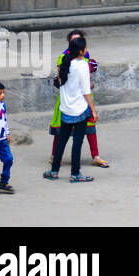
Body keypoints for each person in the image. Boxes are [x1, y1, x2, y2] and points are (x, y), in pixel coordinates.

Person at [50, 30, 109, 169]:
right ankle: (70, 168)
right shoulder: (65, 58)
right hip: (78, 101)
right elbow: (68, 82)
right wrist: (93, 109)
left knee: (85, 130)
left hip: (69, 102)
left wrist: (88, 81)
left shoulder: (85, 58)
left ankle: (95, 157)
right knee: (70, 136)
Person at [44, 35, 96, 183]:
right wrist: (93, 110)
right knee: (77, 142)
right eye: (85, 47)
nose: (86, 50)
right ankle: (75, 173)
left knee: (62, 140)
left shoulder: (65, 63)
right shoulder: (82, 65)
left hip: (65, 109)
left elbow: (61, 84)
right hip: (79, 110)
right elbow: (86, 91)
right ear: (81, 51)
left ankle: (54, 171)